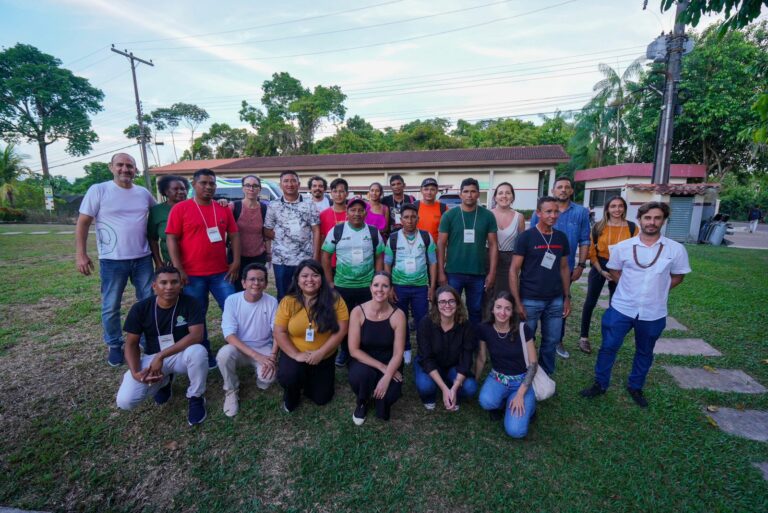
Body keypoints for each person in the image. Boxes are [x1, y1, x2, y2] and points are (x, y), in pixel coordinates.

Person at [580, 201, 691, 407]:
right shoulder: (624, 247)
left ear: (663, 220)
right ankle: (600, 383)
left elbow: (678, 276)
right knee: (608, 347)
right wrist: (630, 288)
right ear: (640, 220)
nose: (652, 222)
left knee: (644, 351)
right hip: (622, 308)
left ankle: (635, 386)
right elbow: (614, 270)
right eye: (647, 218)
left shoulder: (675, 249)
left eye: (657, 218)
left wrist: (656, 291)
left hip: (653, 312)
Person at [76, 152, 156, 366]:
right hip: (112, 260)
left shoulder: (143, 193)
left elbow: (159, 214)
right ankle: (114, 344)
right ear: (111, 167)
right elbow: (83, 222)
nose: (125, 169)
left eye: (129, 166)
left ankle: (149, 341)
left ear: (135, 170)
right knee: (111, 305)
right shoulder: (99, 190)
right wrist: (81, 254)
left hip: (142, 258)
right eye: (120, 165)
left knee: (148, 301)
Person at [165, 168, 240, 368]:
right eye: (204, 183)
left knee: (232, 308)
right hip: (191, 274)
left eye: (212, 183)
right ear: (194, 184)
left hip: (221, 272)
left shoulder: (222, 208)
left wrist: (236, 261)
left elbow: (234, 235)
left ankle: (235, 347)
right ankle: (204, 350)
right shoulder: (181, 209)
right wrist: (178, 268)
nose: (208, 187)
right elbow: (171, 237)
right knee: (197, 314)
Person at [115, 265, 208, 426]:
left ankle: (196, 397)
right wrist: (136, 372)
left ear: (181, 284)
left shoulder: (191, 303)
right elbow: (131, 344)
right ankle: (164, 382)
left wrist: (161, 355)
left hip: (181, 354)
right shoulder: (140, 308)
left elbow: (196, 335)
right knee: (126, 401)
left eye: (174, 282)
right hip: (152, 358)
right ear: (154, 286)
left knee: (198, 352)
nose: (169, 287)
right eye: (163, 283)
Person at [275, 259, 350, 412]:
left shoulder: (335, 299)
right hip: (295, 353)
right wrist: (296, 355)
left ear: (322, 278)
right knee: (289, 377)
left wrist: (321, 353)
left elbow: (342, 329)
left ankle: (309, 379)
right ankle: (292, 391)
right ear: (297, 279)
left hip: (324, 355)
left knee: (322, 398)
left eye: (315, 275)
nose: (309, 280)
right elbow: (279, 332)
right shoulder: (288, 301)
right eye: (304, 276)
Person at [509, 196, 571, 376]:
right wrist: (517, 301)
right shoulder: (526, 237)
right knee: (526, 339)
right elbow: (514, 270)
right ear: (538, 213)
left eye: (556, 211)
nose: (553, 215)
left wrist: (567, 297)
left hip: (555, 300)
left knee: (551, 341)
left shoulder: (561, 237)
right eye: (548, 211)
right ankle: (524, 374)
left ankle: (545, 375)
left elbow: (564, 268)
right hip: (530, 299)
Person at [530, 176, 590, 359]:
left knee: (562, 303)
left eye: (567, 187)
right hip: (541, 268)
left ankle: (557, 340)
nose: (563, 190)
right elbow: (533, 237)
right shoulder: (540, 212)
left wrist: (581, 265)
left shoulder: (580, 212)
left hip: (566, 267)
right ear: (553, 191)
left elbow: (585, 239)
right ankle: (530, 342)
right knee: (535, 304)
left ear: (571, 191)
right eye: (559, 187)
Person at [321, 197, 384, 367]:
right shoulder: (337, 230)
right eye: (353, 210)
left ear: (366, 212)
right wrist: (329, 282)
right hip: (343, 286)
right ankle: (345, 351)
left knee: (367, 319)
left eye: (360, 210)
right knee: (344, 320)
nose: (357, 213)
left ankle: (364, 350)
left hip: (367, 286)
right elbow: (325, 256)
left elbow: (379, 256)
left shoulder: (373, 231)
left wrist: (377, 280)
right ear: (347, 212)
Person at [216, 263, 279, 417]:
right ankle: (231, 390)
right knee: (223, 355)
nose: (256, 283)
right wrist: (256, 356)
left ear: (265, 283)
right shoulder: (232, 300)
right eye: (251, 279)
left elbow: (278, 332)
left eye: (260, 280)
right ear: (243, 283)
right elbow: (229, 335)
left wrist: (272, 356)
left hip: (264, 347)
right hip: (239, 347)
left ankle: (260, 377)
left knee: (268, 378)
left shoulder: (271, 301)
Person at [578, 196, 638, 354]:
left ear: (624, 208)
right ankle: (584, 337)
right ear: (607, 209)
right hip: (601, 265)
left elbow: (635, 250)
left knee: (615, 304)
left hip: (621, 268)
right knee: (590, 302)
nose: (617, 209)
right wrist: (600, 270)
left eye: (620, 206)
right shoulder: (599, 227)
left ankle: (610, 338)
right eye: (613, 206)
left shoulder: (632, 228)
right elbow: (592, 251)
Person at [437, 178, 498, 329]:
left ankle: (475, 344)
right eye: (466, 191)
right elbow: (441, 244)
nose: (469, 195)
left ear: (478, 194)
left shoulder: (487, 215)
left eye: (473, 191)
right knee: (451, 309)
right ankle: (454, 341)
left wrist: (492, 273)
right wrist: (441, 272)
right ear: (460, 194)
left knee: (476, 310)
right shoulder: (449, 216)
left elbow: (493, 245)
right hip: (453, 272)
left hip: (478, 273)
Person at [476, 292, 538, 438]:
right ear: (492, 309)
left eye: (507, 309)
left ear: (512, 312)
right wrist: (475, 380)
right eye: (498, 307)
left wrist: (520, 394)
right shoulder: (484, 329)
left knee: (516, 431)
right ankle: (506, 401)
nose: (502, 312)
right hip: (498, 378)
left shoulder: (523, 329)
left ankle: (531, 407)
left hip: (522, 381)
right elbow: (481, 358)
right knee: (486, 401)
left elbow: (533, 364)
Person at [347, 272, 406, 425]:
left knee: (384, 409)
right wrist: (383, 368)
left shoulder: (398, 315)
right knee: (363, 376)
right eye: (376, 285)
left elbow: (399, 352)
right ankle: (362, 401)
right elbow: (354, 350)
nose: (380, 289)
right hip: (363, 361)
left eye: (385, 286)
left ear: (391, 289)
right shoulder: (358, 312)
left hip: (390, 360)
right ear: (370, 288)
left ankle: (380, 397)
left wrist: (387, 377)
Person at [384, 203, 437, 365]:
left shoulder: (426, 237)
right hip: (399, 286)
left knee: (422, 320)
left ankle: (423, 349)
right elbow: (387, 263)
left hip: (420, 286)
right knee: (401, 320)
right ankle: (405, 348)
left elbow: (433, 263)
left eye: (413, 217)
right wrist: (390, 286)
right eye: (406, 217)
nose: (409, 220)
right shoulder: (393, 238)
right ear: (401, 219)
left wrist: (432, 287)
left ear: (418, 218)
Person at [413, 285, 479, 411]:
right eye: (442, 302)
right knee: (425, 386)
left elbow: (466, 359)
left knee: (470, 387)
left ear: (458, 303)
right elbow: (426, 359)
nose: (447, 305)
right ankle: (431, 395)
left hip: (454, 365)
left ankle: (453, 390)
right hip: (430, 364)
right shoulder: (425, 323)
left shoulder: (466, 326)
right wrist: (444, 388)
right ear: (436, 305)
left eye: (451, 301)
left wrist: (455, 386)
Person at [264, 170, 321, 301]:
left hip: (304, 258)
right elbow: (266, 230)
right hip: (281, 259)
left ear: (298, 184)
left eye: (293, 181)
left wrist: (315, 256)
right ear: (280, 185)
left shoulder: (309, 204)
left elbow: (316, 230)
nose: (290, 184)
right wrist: (284, 236)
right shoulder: (274, 205)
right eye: (286, 181)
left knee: (306, 294)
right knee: (284, 296)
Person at [483, 182, 525, 315]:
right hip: (488, 259)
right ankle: (486, 330)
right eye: (500, 193)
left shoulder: (519, 217)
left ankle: (506, 329)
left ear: (512, 197)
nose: (504, 196)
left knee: (506, 298)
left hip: (509, 262)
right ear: (495, 197)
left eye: (508, 193)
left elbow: (522, 245)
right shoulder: (486, 215)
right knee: (487, 297)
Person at [228, 175, 269, 292]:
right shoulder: (233, 206)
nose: (251, 188)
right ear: (243, 188)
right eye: (248, 185)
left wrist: (269, 252)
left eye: (255, 186)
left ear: (259, 189)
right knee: (237, 289)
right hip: (237, 257)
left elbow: (266, 234)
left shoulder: (264, 208)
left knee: (255, 288)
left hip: (258, 256)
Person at [148, 174, 189, 268]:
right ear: (166, 192)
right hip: (170, 264)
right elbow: (152, 239)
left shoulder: (195, 207)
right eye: (175, 189)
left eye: (183, 188)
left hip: (194, 262)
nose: (181, 192)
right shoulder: (156, 211)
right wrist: (158, 262)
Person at [319, 178, 350, 271]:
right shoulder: (323, 214)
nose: (338, 194)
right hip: (330, 261)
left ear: (347, 194)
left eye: (341, 191)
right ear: (331, 194)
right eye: (335, 191)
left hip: (350, 260)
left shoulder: (353, 213)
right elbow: (322, 239)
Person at [415, 177, 446, 242]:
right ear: (421, 190)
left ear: (437, 191)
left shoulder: (443, 208)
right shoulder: (414, 206)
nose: (429, 192)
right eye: (426, 189)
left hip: (436, 249)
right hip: (417, 249)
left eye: (432, 189)